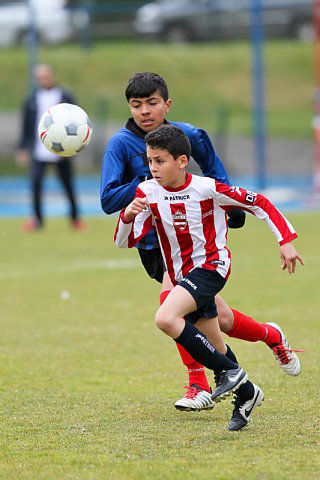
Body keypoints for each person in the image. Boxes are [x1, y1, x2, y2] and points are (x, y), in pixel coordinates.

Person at [101, 72, 303, 412]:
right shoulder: (122, 146)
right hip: (155, 245)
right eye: (137, 105)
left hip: (198, 250)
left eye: (152, 103)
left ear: (167, 104)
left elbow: (214, 171)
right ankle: (270, 338)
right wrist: (144, 193)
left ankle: (200, 384)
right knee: (218, 321)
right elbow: (109, 201)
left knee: (171, 307)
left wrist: (230, 207)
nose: (145, 111)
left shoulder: (189, 136)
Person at [16, 63, 86, 232]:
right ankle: (37, 220)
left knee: (68, 184)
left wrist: (70, 148)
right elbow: (26, 125)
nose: (43, 80)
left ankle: (75, 219)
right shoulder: (31, 99)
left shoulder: (65, 96)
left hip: (62, 151)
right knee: (36, 185)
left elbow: (77, 122)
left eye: (46, 77)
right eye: (40, 78)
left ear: (53, 76)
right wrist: (22, 147)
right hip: (39, 151)